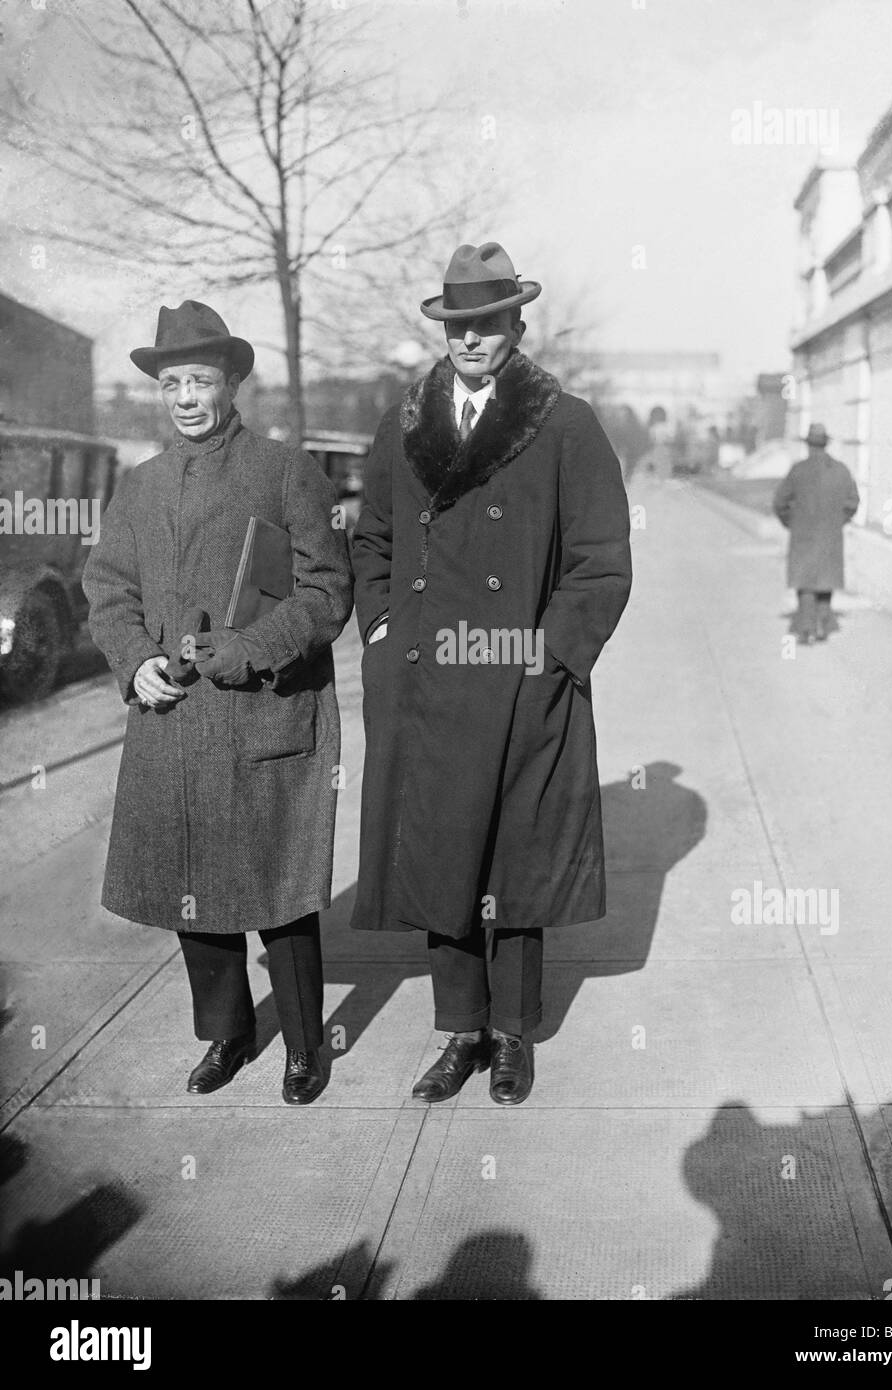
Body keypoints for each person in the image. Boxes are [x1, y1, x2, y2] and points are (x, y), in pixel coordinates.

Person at [350, 242, 632, 1105]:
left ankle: (512, 1036)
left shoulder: (565, 422)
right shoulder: (402, 424)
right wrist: (384, 626)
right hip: (426, 677)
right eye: (456, 325)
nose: (471, 340)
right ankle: (458, 1032)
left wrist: (552, 651)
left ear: (516, 322)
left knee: (516, 862)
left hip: (517, 672)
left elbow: (601, 560)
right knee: (437, 861)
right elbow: (372, 540)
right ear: (442, 330)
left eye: (486, 323)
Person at [83, 300, 353, 1104]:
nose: (187, 398)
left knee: (279, 888)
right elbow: (108, 592)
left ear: (232, 383)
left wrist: (254, 649)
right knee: (191, 888)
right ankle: (229, 1034)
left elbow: (327, 590)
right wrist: (134, 665)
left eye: (200, 380)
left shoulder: (284, 470)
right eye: (173, 384)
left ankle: (306, 1046)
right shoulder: (139, 487)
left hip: (263, 715)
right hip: (174, 722)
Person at [773, 422, 860, 643]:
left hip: (803, 535)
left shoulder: (798, 470)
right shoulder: (841, 470)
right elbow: (853, 502)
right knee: (825, 579)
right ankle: (823, 624)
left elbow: (779, 502)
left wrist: (790, 521)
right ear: (825, 444)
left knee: (806, 581)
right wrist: (838, 521)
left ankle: (807, 627)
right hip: (830, 535)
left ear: (809, 445)